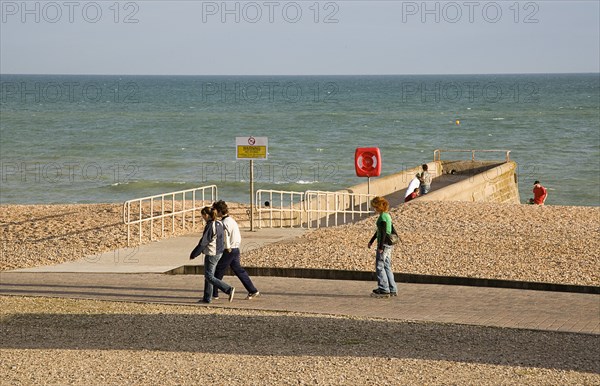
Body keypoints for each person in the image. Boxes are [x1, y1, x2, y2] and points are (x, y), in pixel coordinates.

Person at [212, 200, 260, 300]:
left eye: (216, 211)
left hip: (229, 250)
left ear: (220, 211)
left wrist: (225, 248)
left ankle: (214, 294)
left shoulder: (224, 223)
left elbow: (224, 238)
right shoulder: (232, 220)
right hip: (236, 248)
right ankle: (252, 290)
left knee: (218, 271)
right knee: (239, 270)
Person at [190, 206, 235, 304]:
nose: (203, 218)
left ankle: (228, 289)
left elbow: (204, 242)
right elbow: (225, 236)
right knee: (209, 275)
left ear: (206, 215)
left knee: (209, 276)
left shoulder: (211, 225)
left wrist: (194, 254)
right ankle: (207, 298)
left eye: (203, 216)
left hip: (211, 253)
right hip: (219, 252)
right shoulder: (220, 223)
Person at [367, 196, 398, 298]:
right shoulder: (387, 216)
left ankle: (384, 288)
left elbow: (383, 232)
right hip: (389, 245)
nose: (374, 209)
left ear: (378, 207)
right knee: (387, 266)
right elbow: (380, 231)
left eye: (374, 207)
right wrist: (371, 241)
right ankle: (392, 288)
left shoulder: (382, 217)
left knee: (380, 266)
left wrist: (380, 247)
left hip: (383, 245)